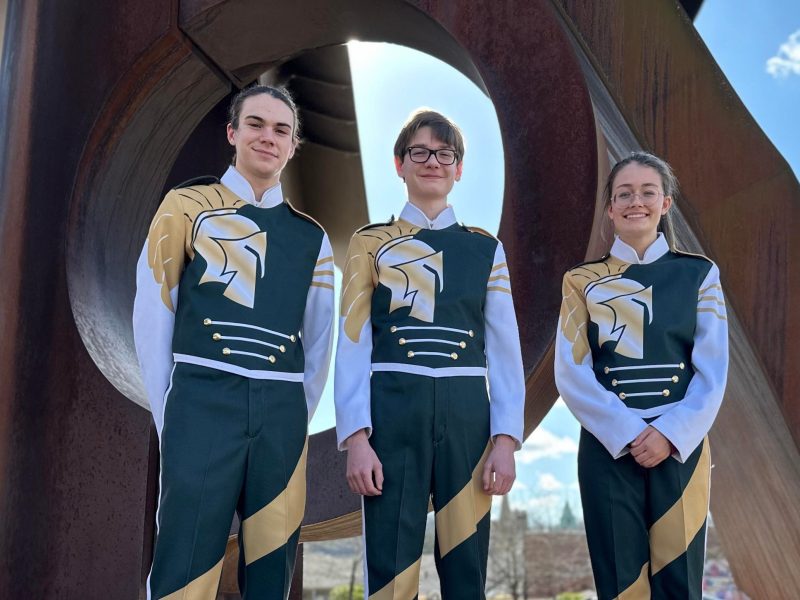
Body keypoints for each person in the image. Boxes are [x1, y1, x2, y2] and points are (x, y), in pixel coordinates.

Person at [133, 84, 334, 600]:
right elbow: (153, 312)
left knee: (272, 568)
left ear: (293, 146)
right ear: (232, 133)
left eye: (282, 130)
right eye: (256, 124)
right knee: (184, 567)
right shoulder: (185, 207)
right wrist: (173, 412)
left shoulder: (312, 237)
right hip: (200, 401)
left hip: (281, 415)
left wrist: (292, 415)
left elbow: (319, 342)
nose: (268, 137)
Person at [334, 109, 525, 599]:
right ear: (399, 164)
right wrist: (356, 437)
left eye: (444, 154)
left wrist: (505, 440)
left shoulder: (486, 249)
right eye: (419, 152)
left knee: (466, 571)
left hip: (468, 422)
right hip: (392, 416)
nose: (432, 162)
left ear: (459, 168)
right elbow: (352, 343)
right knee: (391, 569)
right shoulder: (369, 243)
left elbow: (505, 350)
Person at [554, 152, 729, 599]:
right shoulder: (580, 280)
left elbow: (712, 370)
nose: (636, 202)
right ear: (610, 208)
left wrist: (669, 434)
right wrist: (629, 432)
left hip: (680, 449)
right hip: (608, 448)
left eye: (648, 192)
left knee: (680, 585)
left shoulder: (699, 274)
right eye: (624, 194)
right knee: (619, 585)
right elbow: (571, 371)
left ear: (665, 203)